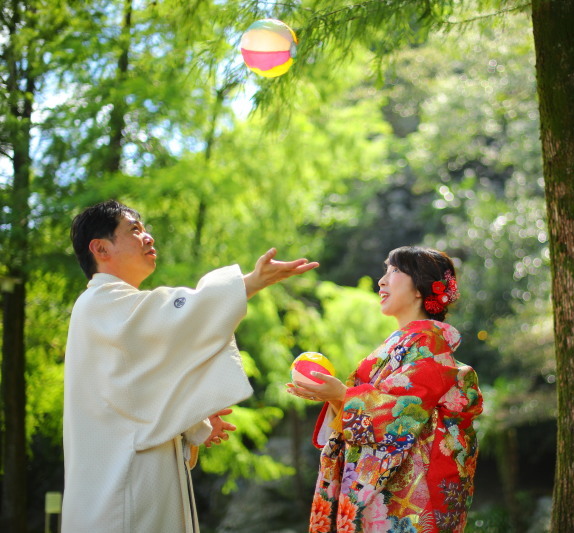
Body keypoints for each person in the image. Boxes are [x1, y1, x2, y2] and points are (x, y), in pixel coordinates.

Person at [62, 199, 318, 533]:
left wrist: (192, 419)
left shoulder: (110, 310)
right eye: (134, 230)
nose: (148, 237)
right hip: (123, 483)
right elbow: (181, 317)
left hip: (129, 471)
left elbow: (137, 390)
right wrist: (251, 282)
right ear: (100, 248)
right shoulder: (101, 303)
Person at [289, 246, 483, 533]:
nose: (382, 280)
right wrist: (335, 398)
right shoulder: (403, 343)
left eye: (394, 271)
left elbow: (403, 409)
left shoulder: (430, 345)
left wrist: (341, 395)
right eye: (385, 270)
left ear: (420, 287)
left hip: (413, 490)